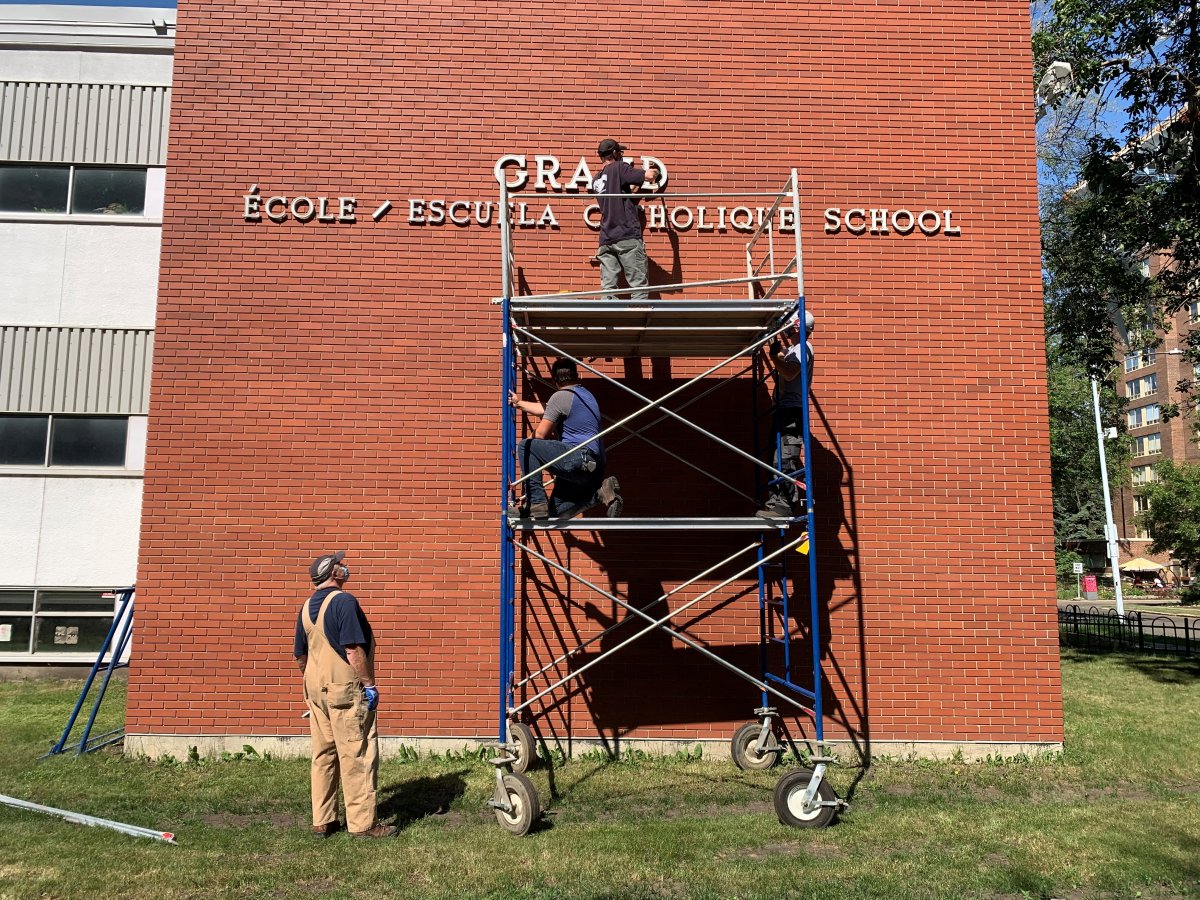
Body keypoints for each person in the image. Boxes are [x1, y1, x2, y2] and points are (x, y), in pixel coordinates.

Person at [294, 551, 396, 839]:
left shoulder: (305, 607)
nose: (345, 567)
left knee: (323, 754)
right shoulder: (344, 601)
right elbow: (353, 649)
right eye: (340, 564)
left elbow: (300, 655)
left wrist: (313, 680)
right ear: (333, 573)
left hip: (315, 689)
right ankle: (364, 824)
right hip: (344, 689)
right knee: (357, 753)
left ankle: (323, 821)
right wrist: (370, 684)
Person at [508, 357, 623, 520]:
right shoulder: (584, 395)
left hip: (577, 457)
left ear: (555, 380)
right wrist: (519, 403)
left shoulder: (561, 396)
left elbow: (541, 435)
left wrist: (527, 448)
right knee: (558, 510)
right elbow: (547, 409)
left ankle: (536, 502)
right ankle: (600, 495)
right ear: (576, 376)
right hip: (593, 468)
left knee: (525, 446)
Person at [757, 312, 815, 520]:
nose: (787, 329)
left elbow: (789, 372)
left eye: (789, 325)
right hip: (785, 410)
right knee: (775, 458)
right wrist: (774, 341)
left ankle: (783, 505)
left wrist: (774, 356)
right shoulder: (795, 349)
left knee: (783, 459)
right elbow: (783, 357)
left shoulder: (802, 348)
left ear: (797, 327)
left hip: (791, 412)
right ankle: (777, 503)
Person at [591, 138, 659, 301]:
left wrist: (635, 191)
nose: (621, 155)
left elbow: (619, 200)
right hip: (627, 235)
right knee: (638, 287)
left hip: (606, 239)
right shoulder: (620, 168)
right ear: (614, 153)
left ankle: (610, 324)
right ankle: (638, 324)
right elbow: (649, 176)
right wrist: (655, 171)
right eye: (619, 152)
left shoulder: (596, 180)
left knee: (608, 291)